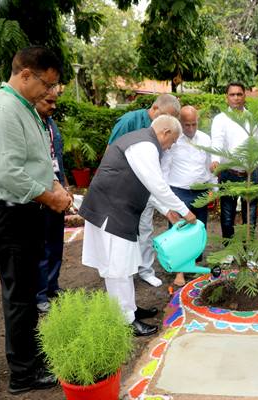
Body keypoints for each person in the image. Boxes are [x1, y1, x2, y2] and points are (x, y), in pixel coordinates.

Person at [0, 46, 71, 394]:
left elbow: (37, 159)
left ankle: (30, 357)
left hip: (23, 212)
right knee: (19, 297)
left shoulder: (24, 107)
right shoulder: (4, 110)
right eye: (47, 84)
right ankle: (23, 375)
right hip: (8, 215)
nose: (50, 91)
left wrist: (55, 184)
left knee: (28, 292)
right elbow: (9, 173)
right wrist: (50, 197)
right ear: (26, 74)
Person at [79, 115, 197, 337]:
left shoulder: (142, 142)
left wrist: (167, 211)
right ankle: (125, 320)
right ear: (165, 132)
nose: (170, 147)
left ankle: (129, 309)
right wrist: (185, 212)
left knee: (125, 264)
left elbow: (148, 187)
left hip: (116, 211)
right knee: (117, 268)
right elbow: (157, 184)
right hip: (110, 211)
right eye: (172, 141)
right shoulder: (145, 145)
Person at [108, 94, 181, 288]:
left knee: (145, 230)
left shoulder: (164, 131)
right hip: (123, 187)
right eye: (166, 116)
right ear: (155, 108)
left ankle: (146, 270)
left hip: (146, 186)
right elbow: (110, 152)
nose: (168, 122)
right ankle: (123, 271)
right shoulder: (129, 121)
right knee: (122, 233)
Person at [161, 105, 217, 286]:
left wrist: (214, 188)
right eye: (187, 125)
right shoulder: (174, 139)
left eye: (194, 124)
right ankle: (179, 271)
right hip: (179, 191)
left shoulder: (205, 139)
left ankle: (193, 264)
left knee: (198, 230)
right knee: (178, 231)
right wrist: (166, 196)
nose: (191, 128)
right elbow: (165, 168)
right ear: (180, 122)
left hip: (201, 190)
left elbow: (210, 165)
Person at [35, 88, 70, 313]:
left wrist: (65, 186)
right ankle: (39, 294)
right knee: (41, 246)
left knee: (56, 242)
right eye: (49, 101)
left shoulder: (51, 124)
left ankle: (52, 286)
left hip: (57, 191)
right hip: (40, 195)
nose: (53, 106)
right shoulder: (30, 124)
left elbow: (57, 159)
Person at [210, 82, 258, 243]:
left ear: (245, 96)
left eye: (239, 94)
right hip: (228, 173)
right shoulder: (220, 119)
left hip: (250, 173)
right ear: (227, 98)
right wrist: (215, 160)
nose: (236, 98)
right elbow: (217, 141)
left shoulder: (252, 118)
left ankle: (249, 249)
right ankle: (229, 250)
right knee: (227, 215)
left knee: (250, 215)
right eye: (232, 94)